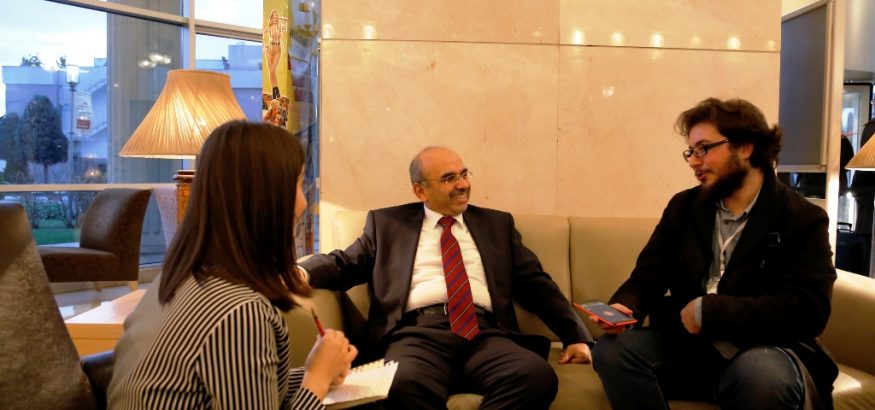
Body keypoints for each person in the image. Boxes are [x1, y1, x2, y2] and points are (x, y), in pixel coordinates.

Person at [591, 98, 839, 410]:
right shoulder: (684, 206)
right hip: (690, 346)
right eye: (691, 152)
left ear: (745, 148)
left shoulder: (801, 217)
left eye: (704, 149)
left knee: (762, 375)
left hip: (764, 347)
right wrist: (626, 307)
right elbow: (649, 275)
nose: (694, 162)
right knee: (612, 351)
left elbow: (810, 309)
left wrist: (713, 311)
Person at [299, 146, 593, 409]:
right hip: (417, 334)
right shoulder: (388, 224)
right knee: (400, 384)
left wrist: (575, 337)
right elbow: (345, 264)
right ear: (420, 191)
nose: (463, 184)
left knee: (535, 376)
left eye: (464, 174)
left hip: (485, 333)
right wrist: (301, 271)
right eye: (449, 178)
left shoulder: (497, 225)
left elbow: (537, 285)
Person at [107, 121, 357, 409]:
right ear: (266, 199)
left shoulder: (177, 279)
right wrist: (316, 379)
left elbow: (243, 383)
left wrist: (318, 370)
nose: (303, 202)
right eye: (299, 184)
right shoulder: (240, 312)